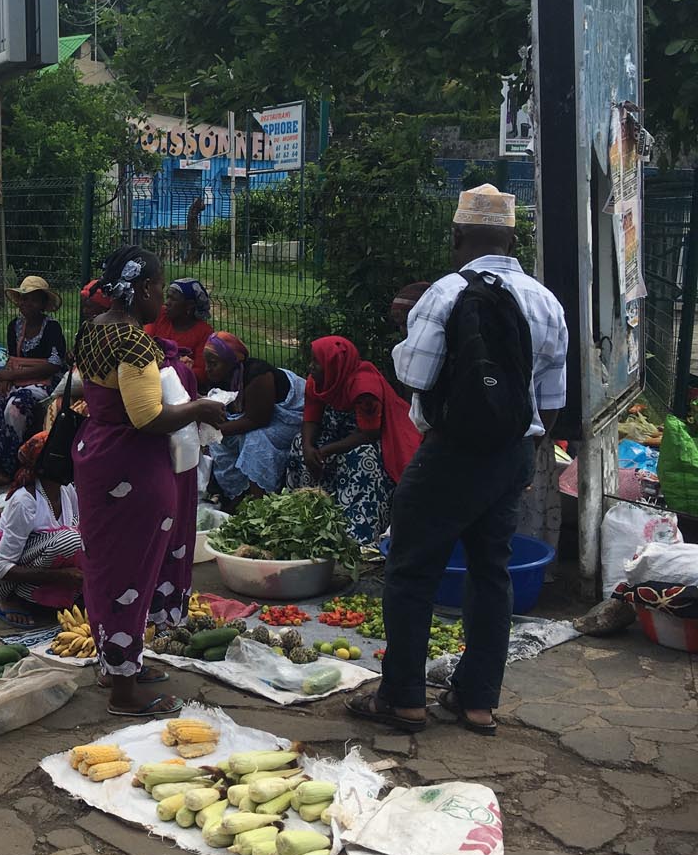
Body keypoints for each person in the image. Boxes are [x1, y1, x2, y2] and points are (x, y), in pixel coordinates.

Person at [349, 185, 568, 736]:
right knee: (491, 573)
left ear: (458, 236)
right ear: (513, 237)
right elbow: (553, 400)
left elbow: (415, 377)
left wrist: (410, 336)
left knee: (410, 570)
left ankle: (402, 698)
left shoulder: (446, 294)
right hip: (514, 452)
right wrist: (522, 458)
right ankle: (476, 702)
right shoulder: (545, 301)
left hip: (450, 453)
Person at [72, 247, 224, 716]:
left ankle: (118, 664)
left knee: (108, 569)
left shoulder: (94, 330)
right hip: (131, 467)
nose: (162, 296)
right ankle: (123, 691)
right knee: (130, 575)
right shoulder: (134, 342)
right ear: (140, 289)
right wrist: (200, 409)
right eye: (159, 287)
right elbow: (147, 417)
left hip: (97, 456)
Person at [287, 335, 421, 545]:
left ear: (334, 365)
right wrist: (308, 447)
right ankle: (304, 514)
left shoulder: (364, 387)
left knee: (360, 461)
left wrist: (325, 451)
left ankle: (356, 533)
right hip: (336, 433)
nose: (310, 366)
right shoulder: (318, 381)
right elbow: (311, 417)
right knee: (297, 445)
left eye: (316, 362)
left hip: (369, 440)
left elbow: (369, 433)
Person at [0, 275, 68, 492]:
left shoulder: (52, 328)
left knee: (15, 408)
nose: (27, 305)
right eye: (23, 300)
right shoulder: (14, 326)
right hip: (17, 379)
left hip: (43, 384)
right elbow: (12, 358)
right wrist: (8, 377)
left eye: (33, 300)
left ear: (44, 305)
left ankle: (5, 469)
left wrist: (12, 377)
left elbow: (54, 364)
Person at [0, 432, 83, 627]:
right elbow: (1, 567)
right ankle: (11, 599)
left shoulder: (67, 491)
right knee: (71, 538)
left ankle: (59, 596)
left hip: (48, 564)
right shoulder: (25, 501)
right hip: (10, 578)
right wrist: (63, 576)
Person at [203, 331, 307, 508]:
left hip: (292, 417)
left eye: (213, 363)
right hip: (260, 417)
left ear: (231, 362)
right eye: (206, 363)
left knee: (255, 441)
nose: (207, 368)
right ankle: (235, 497)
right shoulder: (222, 376)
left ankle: (260, 505)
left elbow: (257, 421)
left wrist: (212, 431)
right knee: (220, 443)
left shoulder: (258, 375)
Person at [145, 278, 213, 387]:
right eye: (167, 297)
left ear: (189, 305)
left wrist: (174, 369)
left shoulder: (204, 332)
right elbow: (145, 346)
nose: (167, 303)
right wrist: (179, 367)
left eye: (173, 299)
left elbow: (202, 373)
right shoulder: (160, 315)